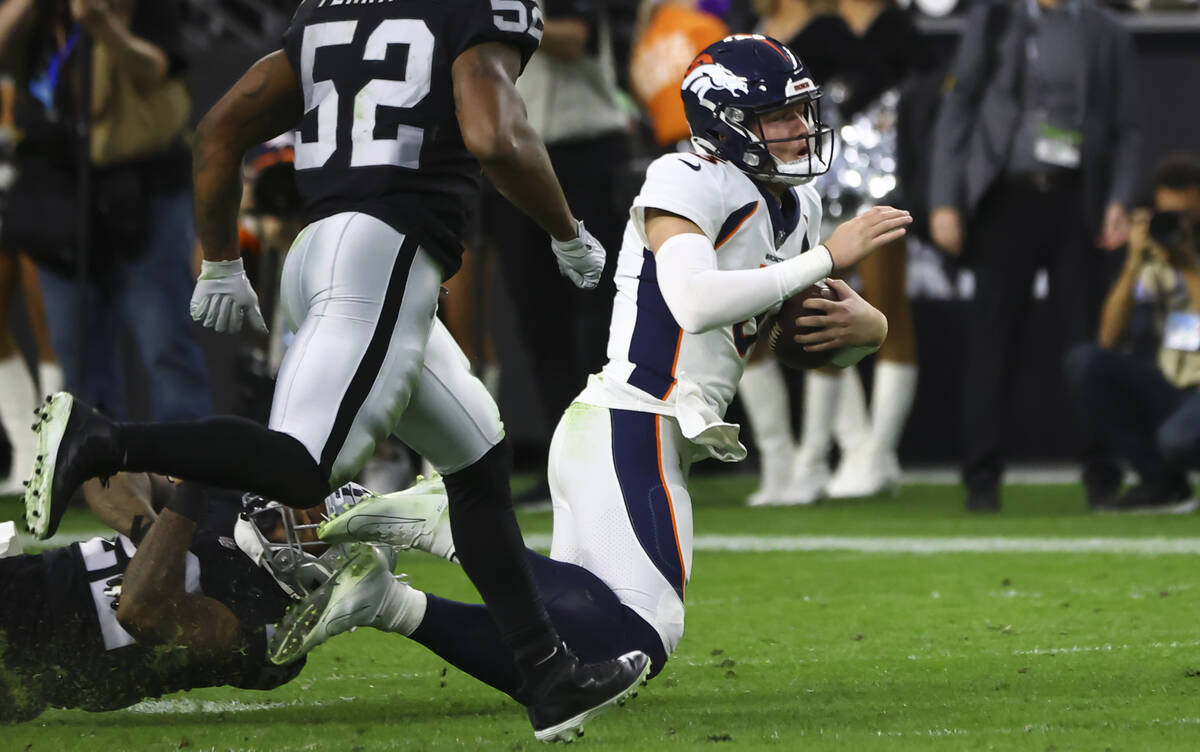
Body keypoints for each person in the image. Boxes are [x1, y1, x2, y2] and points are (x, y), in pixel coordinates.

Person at [25, 0, 649, 740]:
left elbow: (221, 127)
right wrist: (567, 231)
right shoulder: (478, 9)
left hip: (330, 248)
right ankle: (103, 438)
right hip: (385, 254)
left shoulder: (329, 9)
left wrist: (223, 260)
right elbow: (495, 134)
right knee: (300, 469)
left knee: (478, 463)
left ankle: (549, 677)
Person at [265, 34, 906, 699]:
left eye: (802, 113)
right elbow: (692, 300)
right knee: (646, 632)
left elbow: (777, 331)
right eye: (780, 115)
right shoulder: (684, 177)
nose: (800, 130)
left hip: (660, 433)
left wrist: (869, 330)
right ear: (727, 120)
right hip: (627, 420)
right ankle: (450, 523)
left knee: (582, 643)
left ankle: (386, 603)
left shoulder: (795, 206)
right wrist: (829, 258)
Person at [927, 0, 1142, 512]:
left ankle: (1103, 476)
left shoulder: (1106, 29)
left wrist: (1120, 197)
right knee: (991, 339)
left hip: (1078, 201)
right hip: (1006, 198)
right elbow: (960, 106)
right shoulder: (994, 17)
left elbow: (1128, 125)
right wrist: (943, 200)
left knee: (1089, 342)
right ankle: (981, 479)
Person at [0, 0, 212, 422]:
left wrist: (104, 27)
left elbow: (157, 68)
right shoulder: (39, 14)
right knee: (77, 355)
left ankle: (187, 479)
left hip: (144, 189)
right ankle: (106, 483)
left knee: (164, 346)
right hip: (61, 195)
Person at [0, 472, 318, 723]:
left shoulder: (279, 630)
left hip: (40, 651)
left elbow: (142, 613)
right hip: (23, 583)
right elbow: (107, 471)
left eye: (307, 524)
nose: (290, 513)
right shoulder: (235, 507)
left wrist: (190, 491)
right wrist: (150, 535)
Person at [1065, 155, 1200, 513]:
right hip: (1174, 387)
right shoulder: (1157, 253)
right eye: (1171, 215)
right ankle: (1164, 486)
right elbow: (1109, 337)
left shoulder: (1181, 258)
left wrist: (1188, 267)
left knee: (1178, 438)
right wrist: (1133, 264)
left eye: (1189, 213)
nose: (1181, 224)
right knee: (1087, 363)